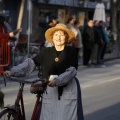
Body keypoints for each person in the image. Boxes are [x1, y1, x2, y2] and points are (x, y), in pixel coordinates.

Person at [4, 23, 84, 120]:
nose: (58, 37)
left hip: (67, 88)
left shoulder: (71, 51)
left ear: (66, 38)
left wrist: (58, 80)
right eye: (56, 35)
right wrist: (12, 71)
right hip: (50, 89)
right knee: (48, 115)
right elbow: (31, 63)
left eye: (61, 35)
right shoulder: (46, 52)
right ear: (52, 37)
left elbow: (72, 70)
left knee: (67, 116)